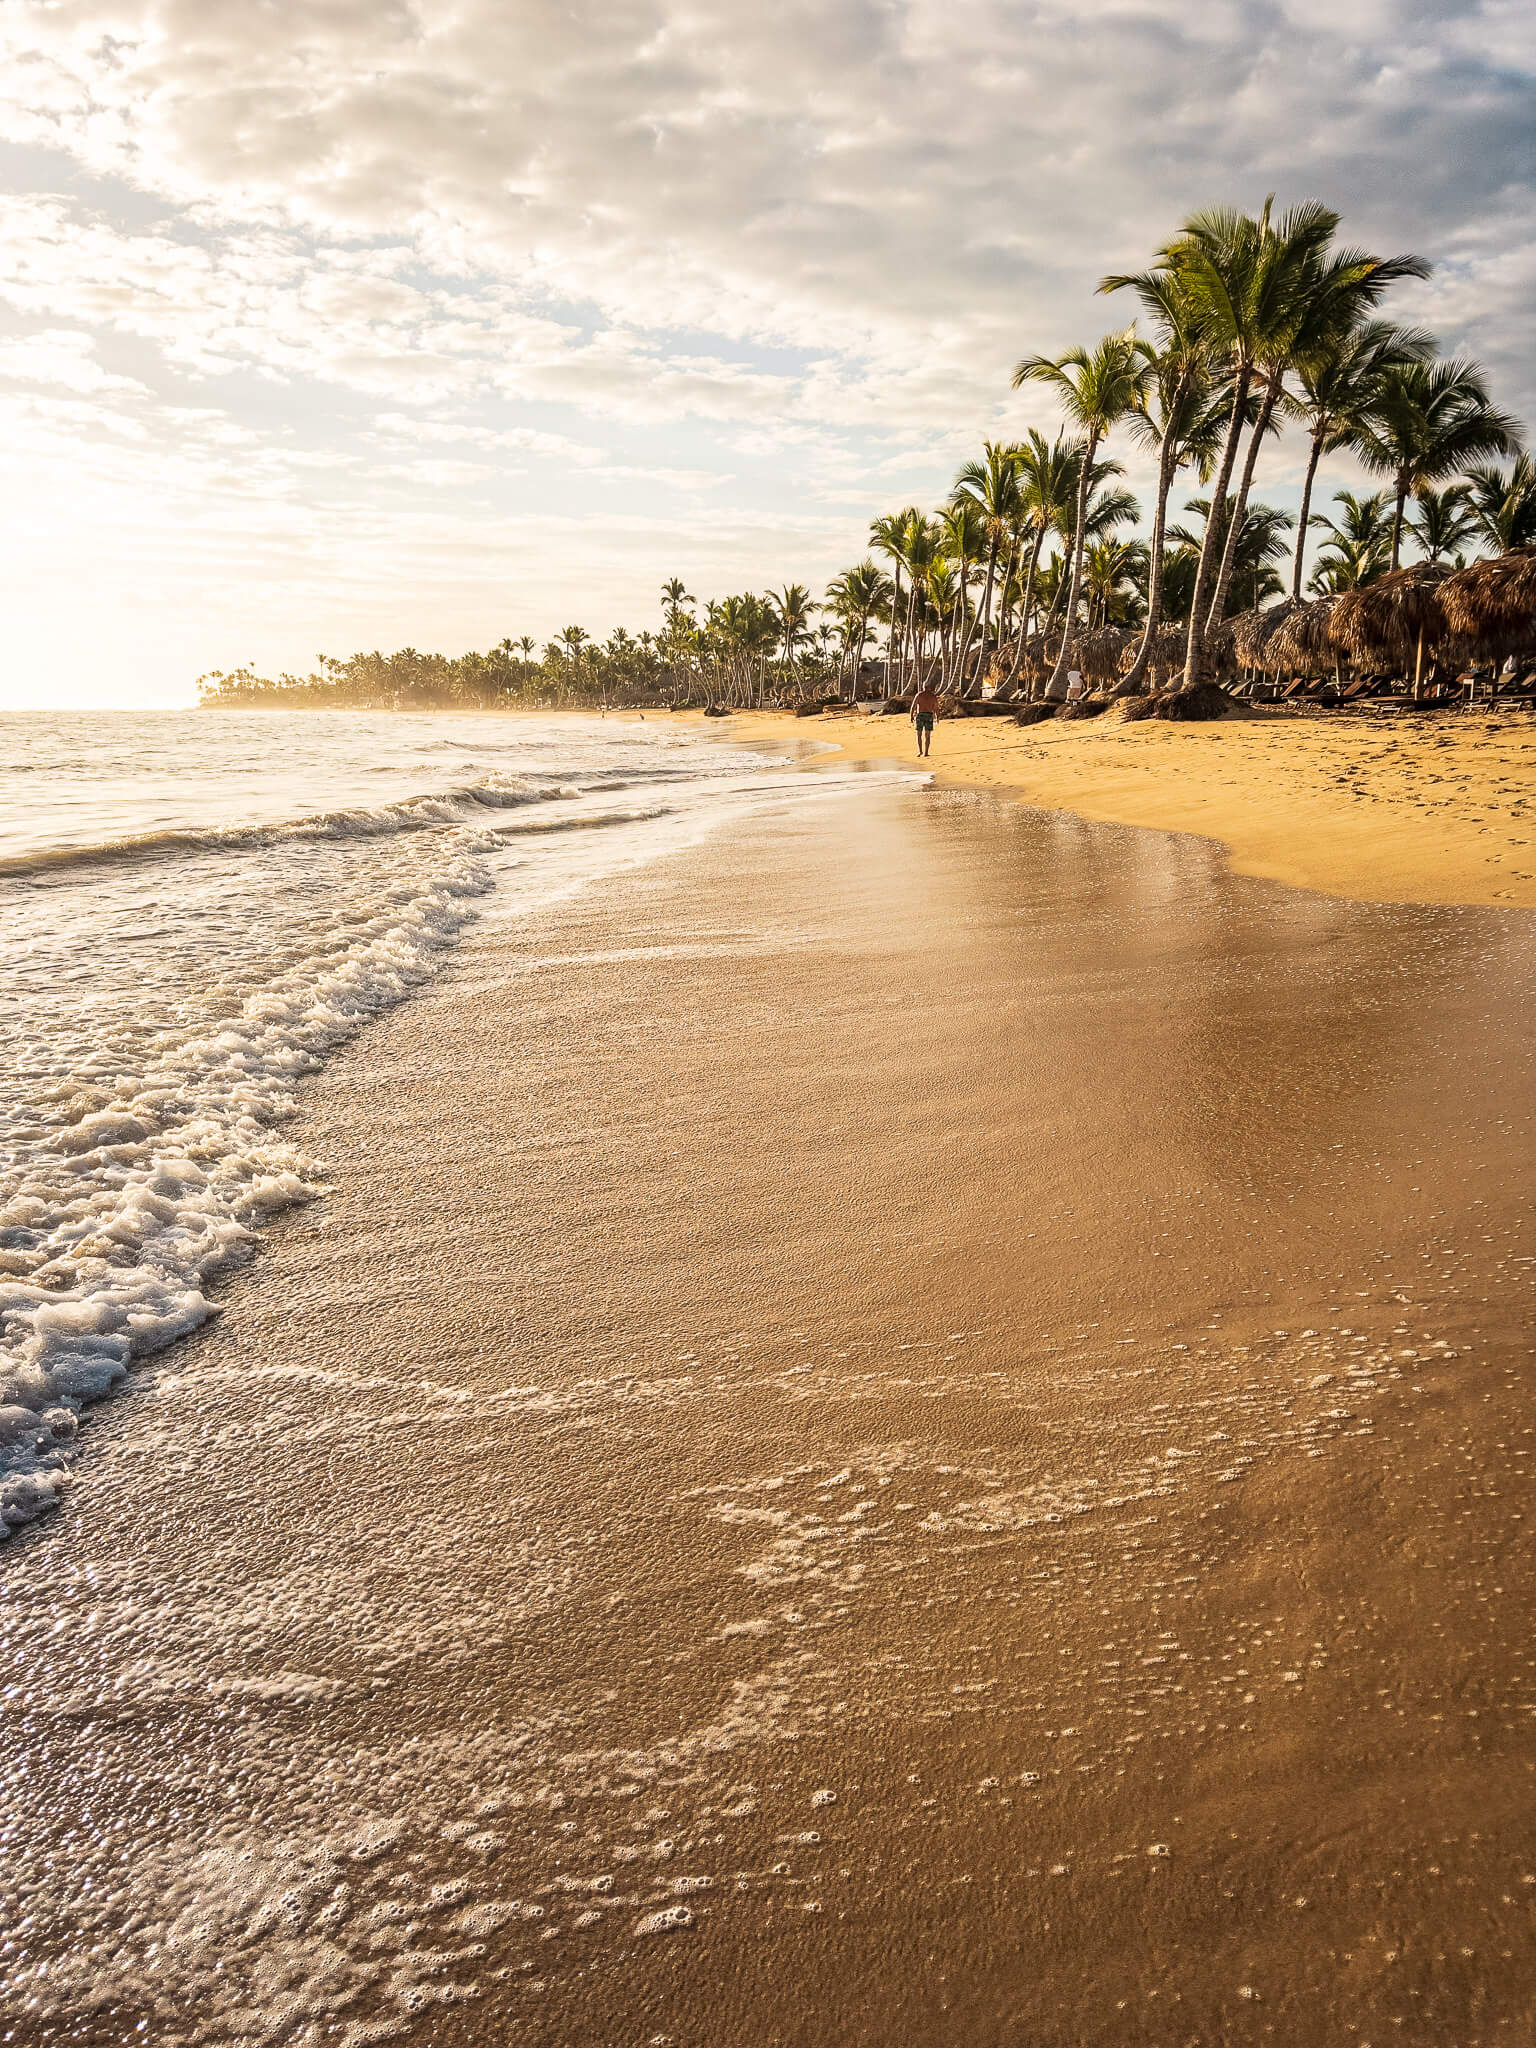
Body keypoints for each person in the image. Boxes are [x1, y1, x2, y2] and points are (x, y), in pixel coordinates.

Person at [911, 683, 939, 757]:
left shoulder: (919, 695)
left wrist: (911, 716)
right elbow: (936, 708)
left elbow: (913, 706)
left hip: (920, 715)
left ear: (923, 687)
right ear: (929, 687)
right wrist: (937, 716)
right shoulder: (933, 696)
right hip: (929, 715)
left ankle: (920, 752)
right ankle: (926, 752)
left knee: (919, 734)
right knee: (927, 735)